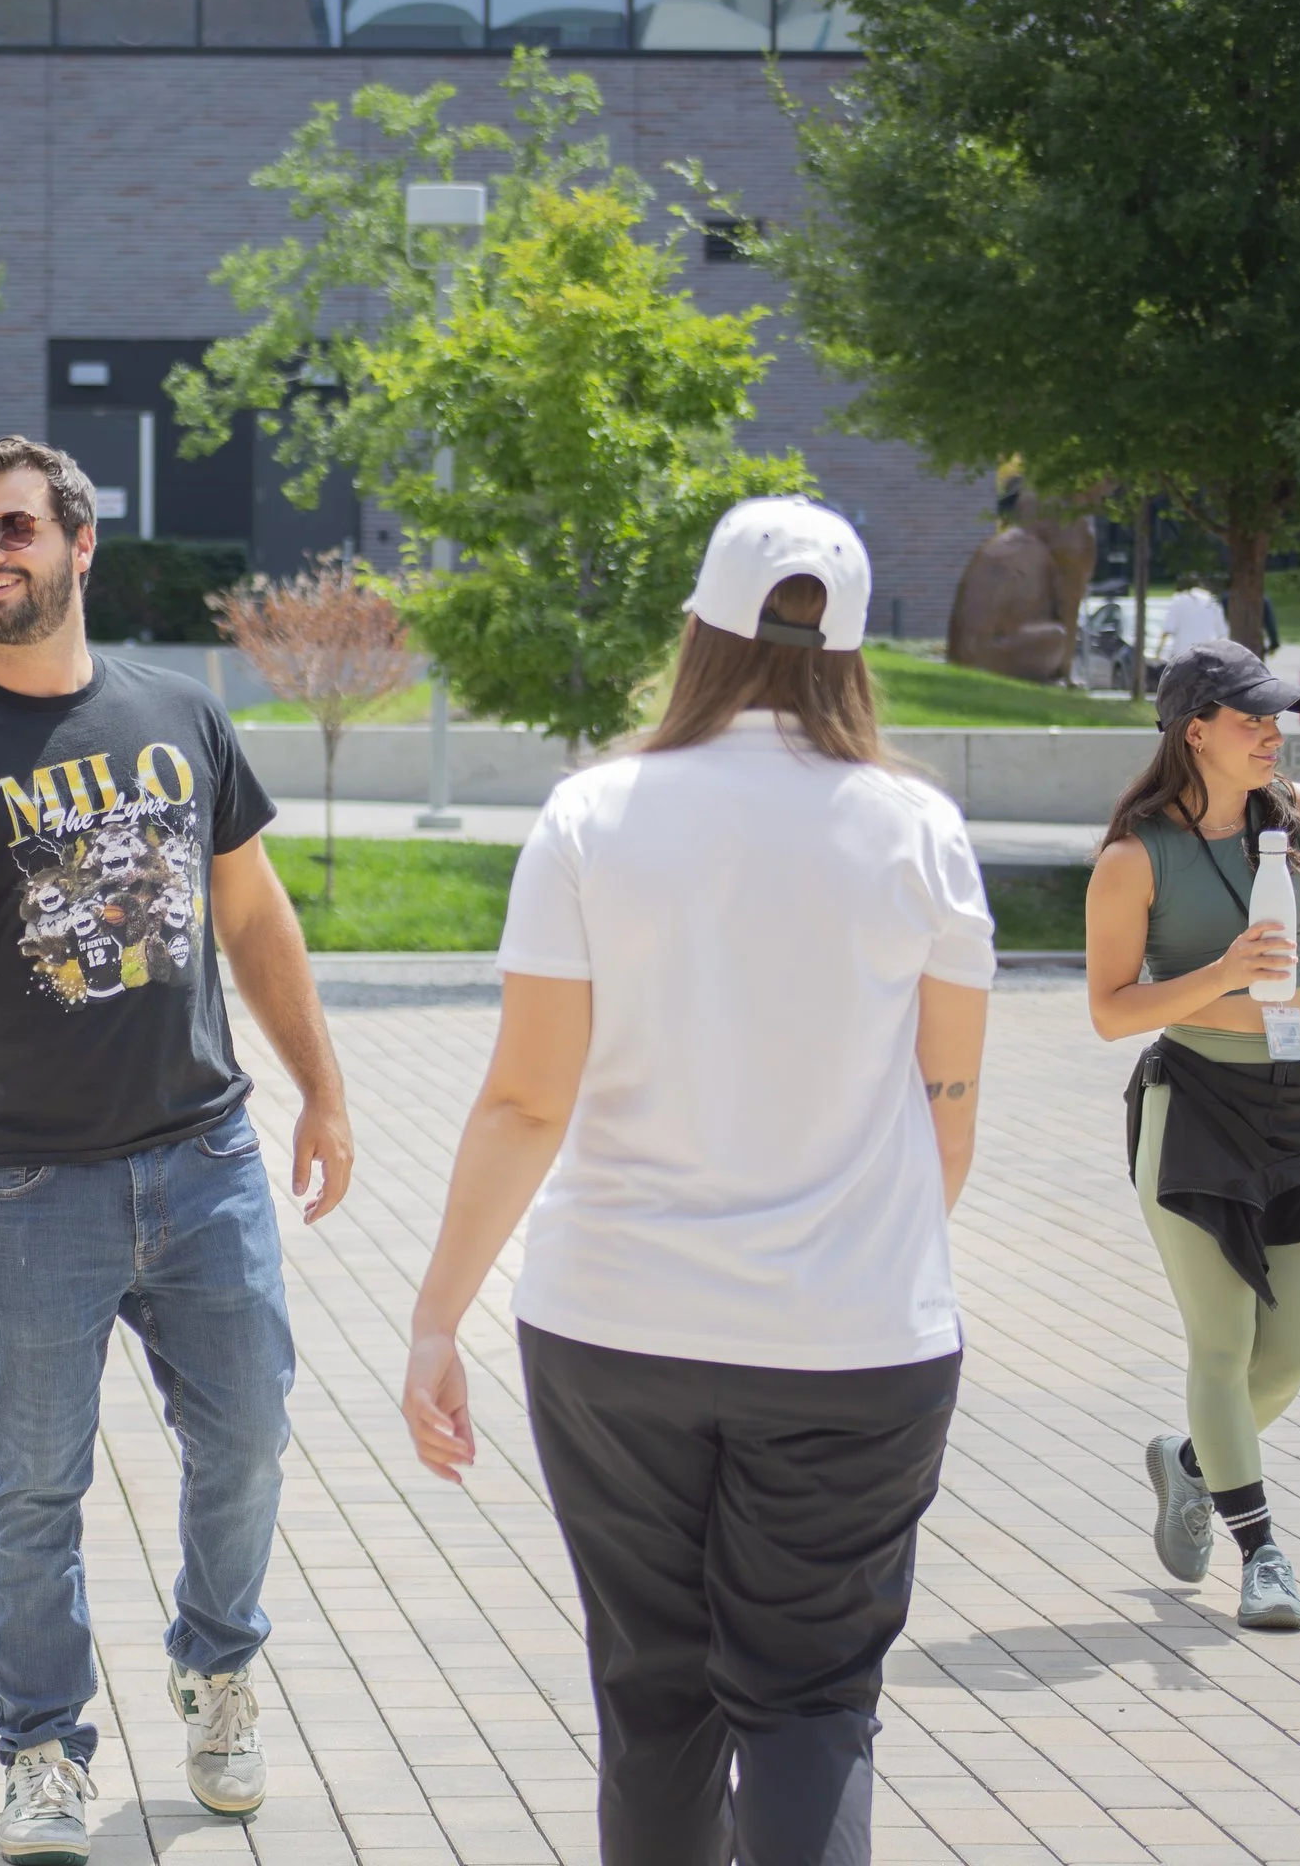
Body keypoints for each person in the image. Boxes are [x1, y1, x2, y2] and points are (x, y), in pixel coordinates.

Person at [402, 497, 995, 1865]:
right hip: (857, 1343)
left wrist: (439, 1316)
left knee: (655, 1697)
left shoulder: (594, 816)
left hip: (616, 1327)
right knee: (810, 1708)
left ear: (699, 633)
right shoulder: (919, 831)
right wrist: (859, 1261)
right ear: (850, 650)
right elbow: (947, 1110)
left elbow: (525, 1097)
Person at [0, 436, 354, 1865]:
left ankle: (216, 1664)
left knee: (248, 1437)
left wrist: (321, 1089)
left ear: (81, 542)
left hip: (205, 1162)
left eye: (10, 527)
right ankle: (43, 1755)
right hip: (24, 1184)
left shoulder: (179, 715)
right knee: (34, 1490)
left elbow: (254, 923)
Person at [1084, 638, 1300, 1632]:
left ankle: (1189, 1463)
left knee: (1288, 1353)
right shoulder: (1132, 856)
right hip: (1190, 1105)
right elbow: (1107, 1009)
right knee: (1221, 1343)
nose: (1274, 734)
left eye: (1278, 717)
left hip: (1299, 1101)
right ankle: (1261, 1553)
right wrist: (1221, 973)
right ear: (1194, 731)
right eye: (1250, 719)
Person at [1159, 576, 1230, 662]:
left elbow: (1167, 630)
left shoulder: (1178, 600)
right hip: (1207, 656)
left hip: (1182, 656)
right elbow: (1223, 633)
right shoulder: (1212, 601)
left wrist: (1158, 653)